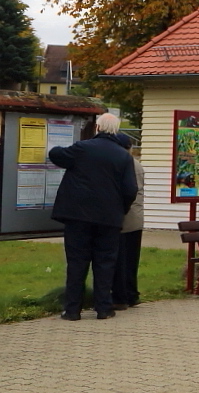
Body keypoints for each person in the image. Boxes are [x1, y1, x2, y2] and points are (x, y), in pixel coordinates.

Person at [49, 112, 137, 321]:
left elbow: (56, 155)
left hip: (77, 216)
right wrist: (120, 210)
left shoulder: (82, 148)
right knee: (105, 263)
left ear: (97, 128)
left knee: (77, 262)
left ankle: (72, 310)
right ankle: (103, 308)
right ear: (116, 130)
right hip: (109, 219)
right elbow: (130, 190)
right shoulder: (124, 156)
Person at [111, 136, 145, 309]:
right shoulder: (136, 163)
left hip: (125, 218)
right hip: (136, 218)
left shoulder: (124, 164)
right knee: (132, 260)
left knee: (121, 260)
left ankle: (121, 296)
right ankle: (131, 294)